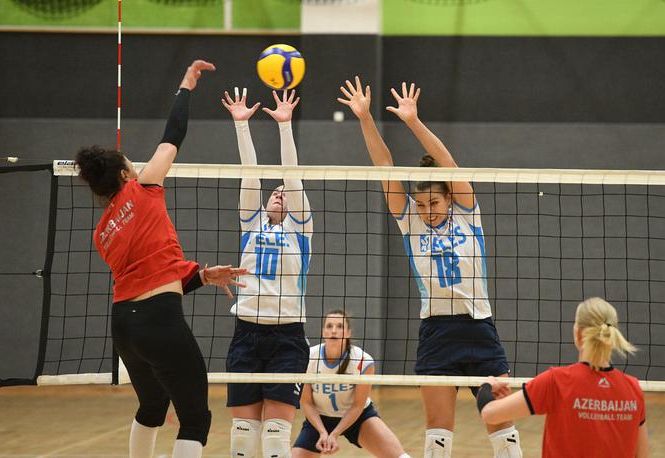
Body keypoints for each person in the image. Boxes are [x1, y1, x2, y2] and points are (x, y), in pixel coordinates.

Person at [338, 77, 521, 458]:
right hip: (437, 331)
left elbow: (450, 165)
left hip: (479, 328)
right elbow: (385, 167)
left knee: (500, 422)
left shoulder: (467, 214)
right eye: (421, 205)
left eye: (433, 203)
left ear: (447, 196)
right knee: (438, 432)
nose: (427, 211)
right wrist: (365, 118)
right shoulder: (411, 222)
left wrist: (413, 121)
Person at [75, 60, 248, 458]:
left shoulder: (101, 233)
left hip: (124, 327)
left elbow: (148, 271)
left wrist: (202, 277)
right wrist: (185, 85)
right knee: (195, 419)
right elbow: (174, 134)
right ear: (123, 173)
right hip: (159, 320)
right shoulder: (144, 186)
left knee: (152, 407)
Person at [221, 88, 313, 458]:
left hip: (288, 335)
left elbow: (291, 178)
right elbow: (251, 177)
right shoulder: (251, 223)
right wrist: (241, 126)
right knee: (243, 436)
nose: (280, 195)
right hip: (246, 331)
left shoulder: (300, 230)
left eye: (284, 194)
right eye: (274, 193)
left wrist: (285, 126)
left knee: (276, 437)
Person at [477, 297, 649, 458]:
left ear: (578, 334)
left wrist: (486, 386)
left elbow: (489, 414)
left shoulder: (557, 381)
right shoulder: (633, 389)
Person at [292, 310, 410, 458]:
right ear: (323, 331)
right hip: (319, 419)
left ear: (348, 332)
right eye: (329, 326)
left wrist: (334, 434)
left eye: (339, 326)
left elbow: (358, 405)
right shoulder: (309, 358)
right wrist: (323, 432)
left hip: (357, 418)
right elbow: (307, 403)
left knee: (400, 457)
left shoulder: (362, 361)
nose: (334, 330)